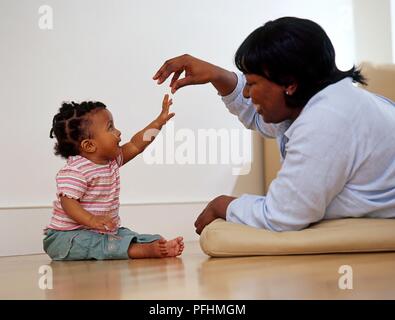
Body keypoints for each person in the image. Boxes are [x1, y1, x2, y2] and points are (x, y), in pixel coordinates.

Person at [153, 16, 395, 234]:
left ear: (289, 83)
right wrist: (218, 76)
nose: (247, 94)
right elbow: (261, 118)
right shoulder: (316, 100)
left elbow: (284, 215)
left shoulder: (326, 120)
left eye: (252, 83)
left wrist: (223, 206)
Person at [44, 95, 184, 260]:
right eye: (110, 128)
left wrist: (159, 122)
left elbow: (136, 144)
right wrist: (92, 220)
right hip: (66, 237)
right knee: (101, 242)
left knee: (128, 235)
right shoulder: (76, 170)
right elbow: (68, 203)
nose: (118, 132)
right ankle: (142, 251)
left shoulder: (111, 161)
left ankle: (148, 244)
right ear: (89, 145)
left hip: (98, 231)